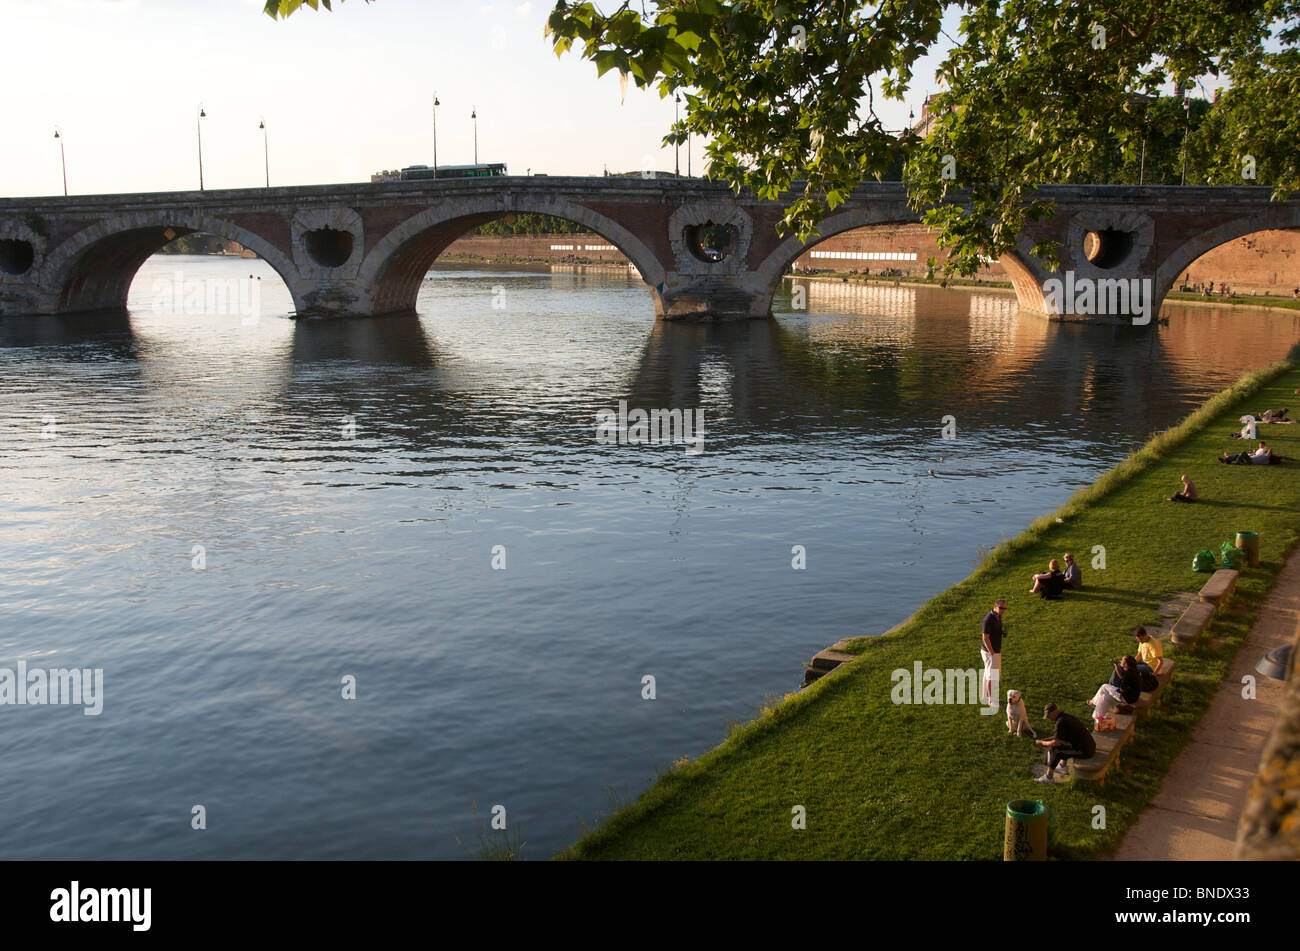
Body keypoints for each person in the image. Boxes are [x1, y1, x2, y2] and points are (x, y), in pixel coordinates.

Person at [1036, 703, 1096, 783]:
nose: (1049, 719)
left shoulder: (1060, 723)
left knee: (1055, 750)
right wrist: (1044, 740)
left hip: (1085, 751)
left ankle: (1049, 777)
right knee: (1062, 745)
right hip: (1089, 747)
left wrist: (1042, 743)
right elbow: (1058, 737)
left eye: (1049, 716)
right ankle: (1062, 767)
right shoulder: (1065, 717)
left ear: (1054, 712)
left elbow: (1055, 742)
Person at [981, 599, 1006, 710]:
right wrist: (992, 653)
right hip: (990, 652)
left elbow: (995, 631)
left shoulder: (997, 617)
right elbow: (985, 638)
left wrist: (1002, 633)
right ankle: (992, 701)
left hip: (994, 650)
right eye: (1001, 608)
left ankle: (985, 696)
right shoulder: (988, 619)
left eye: (1004, 608)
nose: (1003, 610)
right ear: (995, 607)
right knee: (992, 676)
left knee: (988, 674)